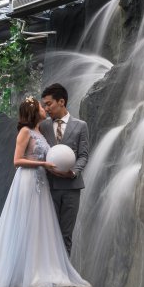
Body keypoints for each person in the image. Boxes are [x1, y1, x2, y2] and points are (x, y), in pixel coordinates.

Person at [0, 97, 90, 287]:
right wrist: (43, 163)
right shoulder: (25, 131)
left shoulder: (40, 132)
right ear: (33, 111)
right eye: (42, 107)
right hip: (26, 181)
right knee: (26, 224)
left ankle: (38, 270)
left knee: (40, 227)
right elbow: (17, 161)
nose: (45, 109)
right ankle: (20, 275)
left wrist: (54, 169)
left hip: (41, 181)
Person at [39, 83, 89, 255]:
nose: (46, 108)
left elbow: (83, 155)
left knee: (66, 234)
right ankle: (47, 274)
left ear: (61, 102)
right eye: (44, 104)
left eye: (49, 104)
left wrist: (73, 172)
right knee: (47, 233)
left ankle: (64, 277)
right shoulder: (43, 126)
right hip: (48, 186)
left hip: (71, 187)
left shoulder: (81, 126)